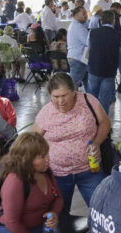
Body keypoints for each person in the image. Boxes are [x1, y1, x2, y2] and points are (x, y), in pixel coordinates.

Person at [34, 73, 109, 213]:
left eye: (64, 95)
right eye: (55, 97)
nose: (60, 101)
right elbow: (33, 141)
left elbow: (105, 122)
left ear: (74, 92)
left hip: (90, 169)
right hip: (57, 174)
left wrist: (97, 142)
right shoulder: (46, 113)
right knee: (59, 216)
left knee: (102, 210)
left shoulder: (88, 101)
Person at [86, 11, 121, 115]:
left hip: (94, 68)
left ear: (101, 21)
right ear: (113, 21)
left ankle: (92, 120)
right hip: (109, 70)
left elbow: (88, 45)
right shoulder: (118, 35)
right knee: (104, 99)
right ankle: (103, 122)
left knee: (92, 96)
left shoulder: (92, 32)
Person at [66, 5, 89, 88]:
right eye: (83, 13)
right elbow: (88, 42)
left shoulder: (76, 25)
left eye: (86, 13)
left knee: (88, 84)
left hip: (80, 59)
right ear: (76, 15)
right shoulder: (78, 27)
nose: (86, 15)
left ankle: (89, 100)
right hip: (78, 59)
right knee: (73, 87)